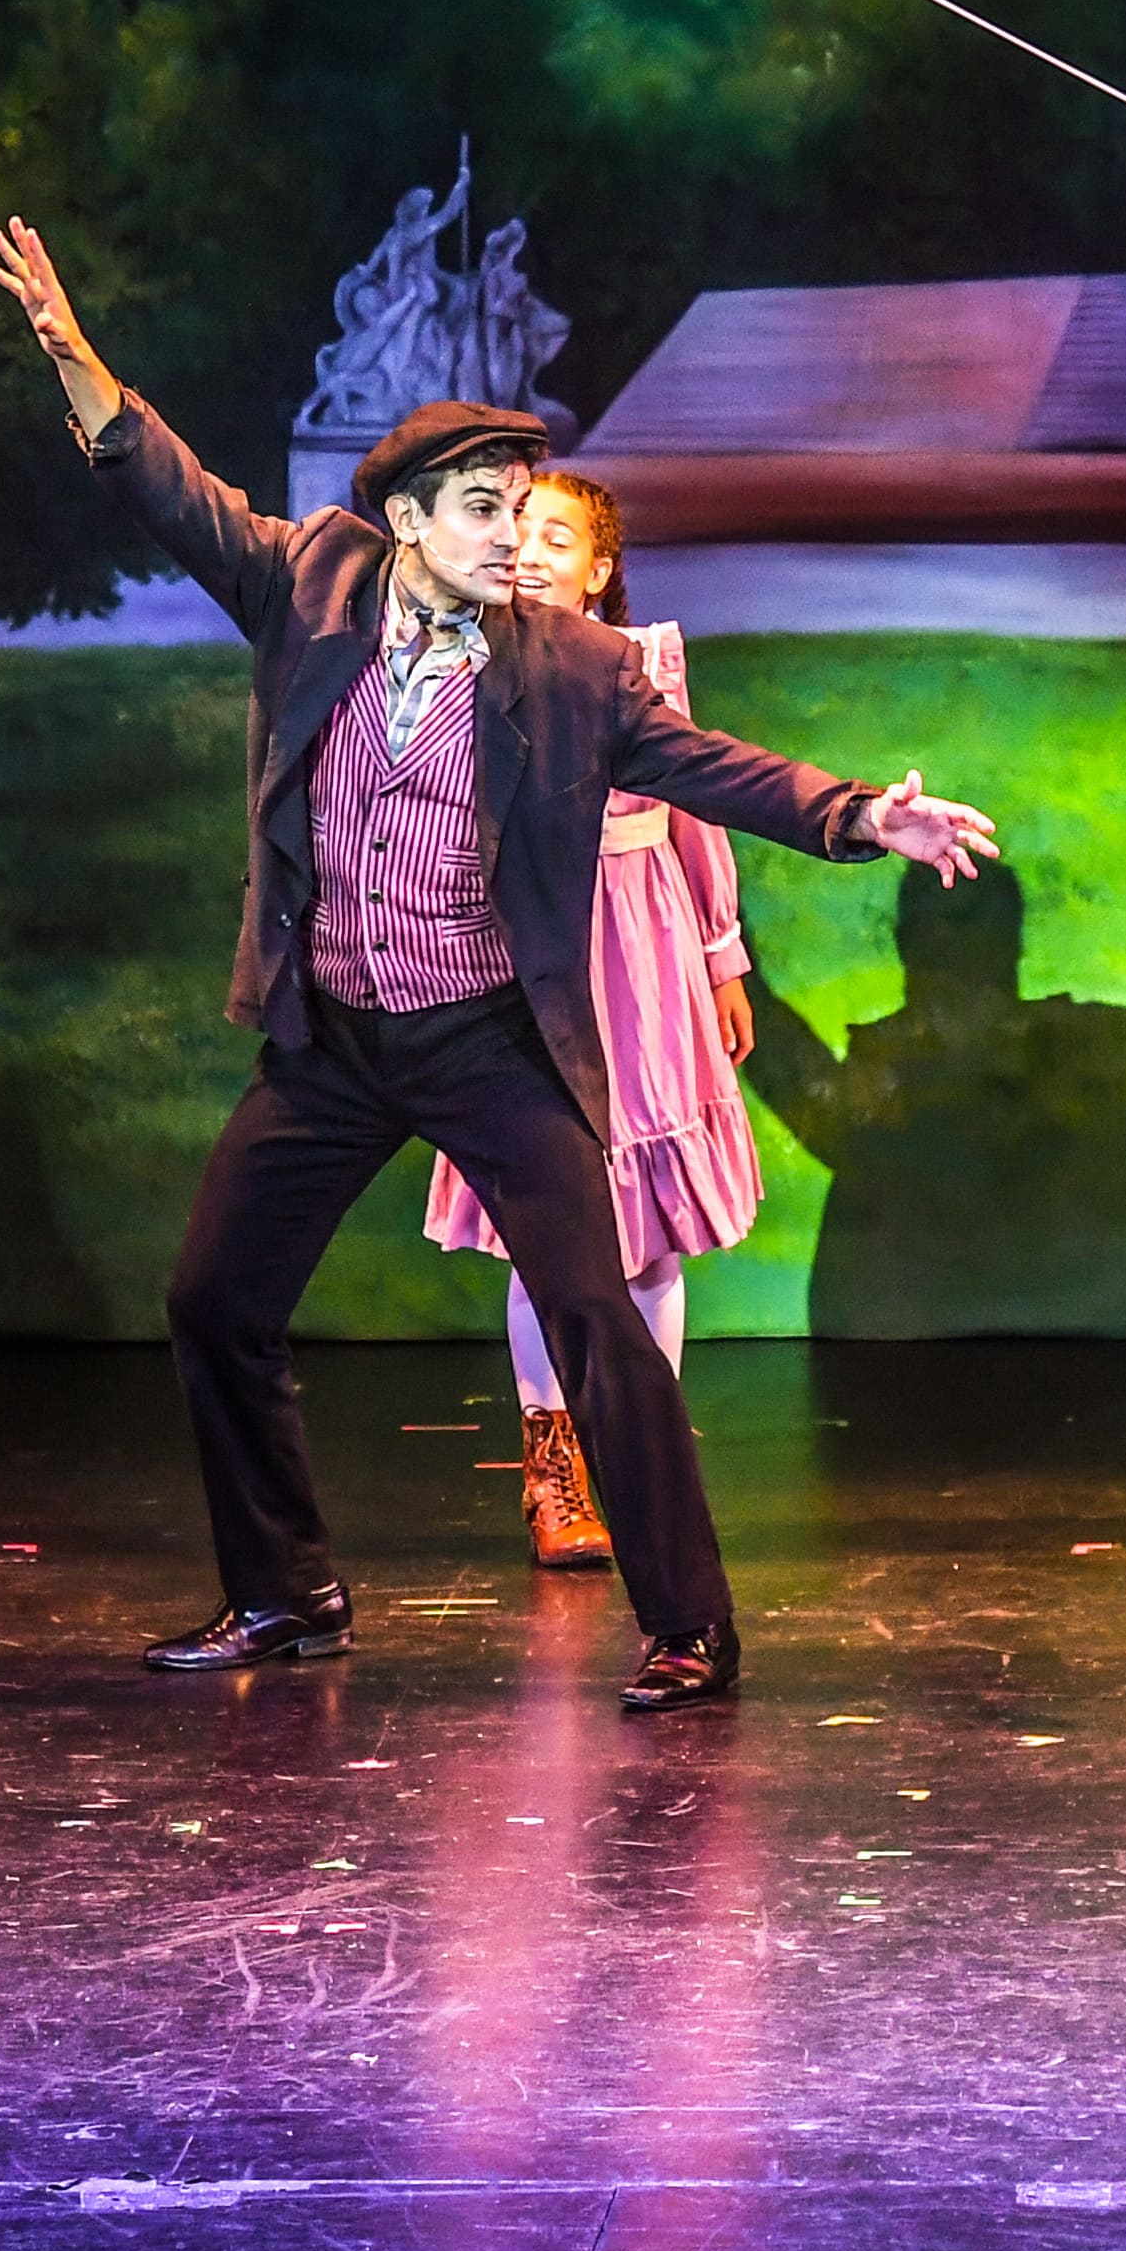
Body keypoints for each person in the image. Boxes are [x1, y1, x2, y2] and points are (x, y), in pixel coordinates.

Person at [0, 218, 1001, 1713]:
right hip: (329, 1035)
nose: (508, 535)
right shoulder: (310, 584)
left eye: (518, 507)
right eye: (478, 509)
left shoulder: (569, 665)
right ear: (403, 518)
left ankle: (690, 1628)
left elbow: (712, 769)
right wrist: (75, 359)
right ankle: (287, 1596)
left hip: (479, 1035)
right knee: (214, 1299)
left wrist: (862, 817)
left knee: (596, 1313)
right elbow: (167, 491)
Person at [420, 469, 763, 1570]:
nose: (525, 550)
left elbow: (699, 808)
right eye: (509, 529)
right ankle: (553, 1460)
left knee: (651, 1237)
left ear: (599, 570)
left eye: (554, 536)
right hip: (533, 958)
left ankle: (643, 1450)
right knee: (549, 1227)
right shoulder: (465, 666)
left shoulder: (638, 666)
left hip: (645, 954)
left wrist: (722, 958)